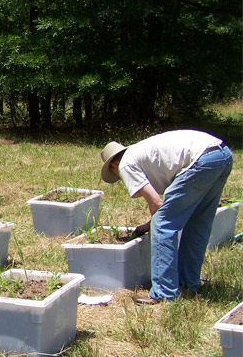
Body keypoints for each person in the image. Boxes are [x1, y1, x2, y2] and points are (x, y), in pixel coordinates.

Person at [100, 130, 233, 303]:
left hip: (201, 159)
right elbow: (169, 205)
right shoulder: (144, 154)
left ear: (112, 166)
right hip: (222, 154)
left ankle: (164, 292)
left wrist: (154, 224)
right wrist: (150, 223)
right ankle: (188, 285)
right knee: (197, 224)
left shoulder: (125, 164)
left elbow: (156, 204)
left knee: (162, 225)